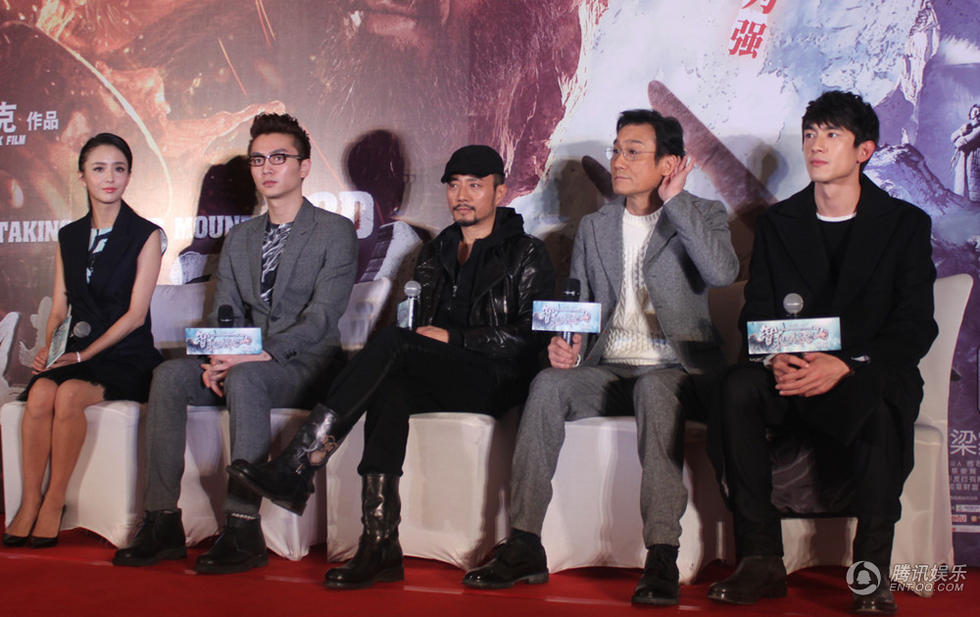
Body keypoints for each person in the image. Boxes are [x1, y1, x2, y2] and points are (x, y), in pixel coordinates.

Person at [226, 145, 556, 589]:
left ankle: (299, 464)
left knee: (393, 346)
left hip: (497, 378)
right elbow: (416, 324)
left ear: (499, 192)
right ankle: (379, 543)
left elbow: (532, 336)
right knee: (389, 385)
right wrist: (431, 340)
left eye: (475, 186)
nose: (462, 195)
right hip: (441, 371)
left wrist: (456, 338)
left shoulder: (527, 253)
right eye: (454, 185)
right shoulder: (436, 250)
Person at [462, 109, 739, 606]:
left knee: (655, 389)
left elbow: (721, 273)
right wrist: (567, 345)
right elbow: (583, 307)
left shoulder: (702, 214)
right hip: (608, 367)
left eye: (633, 152)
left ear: (669, 163)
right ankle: (524, 543)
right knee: (547, 384)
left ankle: (662, 555)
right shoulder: (596, 226)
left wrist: (676, 202)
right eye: (616, 150)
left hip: (677, 371)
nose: (618, 161)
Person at [706, 91, 937, 616]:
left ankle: (870, 573)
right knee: (736, 387)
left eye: (832, 134)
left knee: (880, 398)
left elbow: (914, 326)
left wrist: (847, 364)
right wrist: (773, 357)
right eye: (810, 133)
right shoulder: (777, 223)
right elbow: (757, 312)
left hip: (863, 372)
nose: (816, 144)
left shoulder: (904, 224)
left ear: (864, 151)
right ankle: (761, 558)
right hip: (793, 372)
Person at [112, 113, 357, 573]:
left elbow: (322, 318)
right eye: (258, 160)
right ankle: (162, 521)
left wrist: (255, 355)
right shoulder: (240, 238)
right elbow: (222, 312)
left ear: (304, 166)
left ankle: (243, 529)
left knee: (246, 378)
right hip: (245, 359)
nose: (267, 168)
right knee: (168, 376)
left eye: (279, 158)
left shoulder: (334, 230)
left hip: (305, 363)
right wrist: (217, 356)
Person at [3, 133, 164, 549]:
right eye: (99, 168)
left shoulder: (146, 234)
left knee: (70, 394)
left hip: (126, 354)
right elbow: (59, 307)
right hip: (76, 350)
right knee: (41, 393)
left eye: (119, 169)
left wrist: (81, 355)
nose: (109, 178)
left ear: (128, 176)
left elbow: (136, 315)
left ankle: (54, 501)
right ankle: (29, 502)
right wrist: (50, 349)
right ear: (82, 176)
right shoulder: (69, 236)